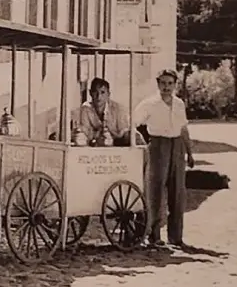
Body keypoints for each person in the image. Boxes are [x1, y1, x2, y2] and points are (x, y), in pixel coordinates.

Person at [133, 68, 195, 249]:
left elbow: (183, 128)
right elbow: (134, 124)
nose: (166, 87)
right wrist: (142, 145)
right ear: (157, 84)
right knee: (155, 191)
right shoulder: (149, 104)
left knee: (178, 192)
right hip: (158, 146)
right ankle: (154, 235)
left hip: (177, 146)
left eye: (170, 83)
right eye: (163, 83)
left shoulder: (179, 104)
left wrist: (190, 152)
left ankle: (176, 237)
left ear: (175, 85)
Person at [77, 77, 146, 146]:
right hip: (96, 145)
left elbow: (125, 132)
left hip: (119, 144)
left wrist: (111, 138)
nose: (99, 96)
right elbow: (85, 132)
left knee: (134, 136)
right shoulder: (86, 109)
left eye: (102, 92)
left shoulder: (118, 109)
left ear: (108, 94)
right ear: (90, 93)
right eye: (95, 92)